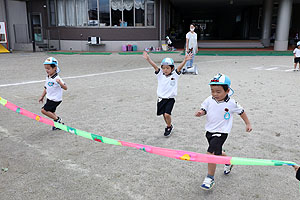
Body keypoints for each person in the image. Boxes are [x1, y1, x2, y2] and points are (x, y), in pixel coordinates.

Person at [195, 73, 252, 190]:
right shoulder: (209, 99)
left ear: (227, 91)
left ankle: (209, 178)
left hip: (221, 132)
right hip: (209, 131)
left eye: (218, 91)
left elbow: (241, 112)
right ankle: (228, 161)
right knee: (217, 152)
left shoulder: (232, 103)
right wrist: (201, 112)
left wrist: (248, 123)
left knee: (210, 154)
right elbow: (204, 108)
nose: (215, 94)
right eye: (212, 91)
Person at [143, 51, 192, 137]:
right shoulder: (160, 75)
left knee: (167, 114)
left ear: (172, 68)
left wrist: (185, 60)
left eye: (167, 68)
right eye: (164, 68)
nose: (165, 70)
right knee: (163, 114)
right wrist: (148, 59)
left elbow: (180, 68)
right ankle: (169, 125)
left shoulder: (175, 75)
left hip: (170, 99)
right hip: (161, 99)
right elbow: (154, 66)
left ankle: (169, 127)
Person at [39, 57, 67, 130]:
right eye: (46, 68)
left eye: (48, 69)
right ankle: (59, 125)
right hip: (49, 98)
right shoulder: (48, 77)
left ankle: (58, 120)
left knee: (43, 110)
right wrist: (42, 96)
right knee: (51, 112)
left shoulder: (57, 78)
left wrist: (60, 83)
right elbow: (46, 87)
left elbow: (65, 87)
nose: (46, 70)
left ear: (55, 68)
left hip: (55, 99)